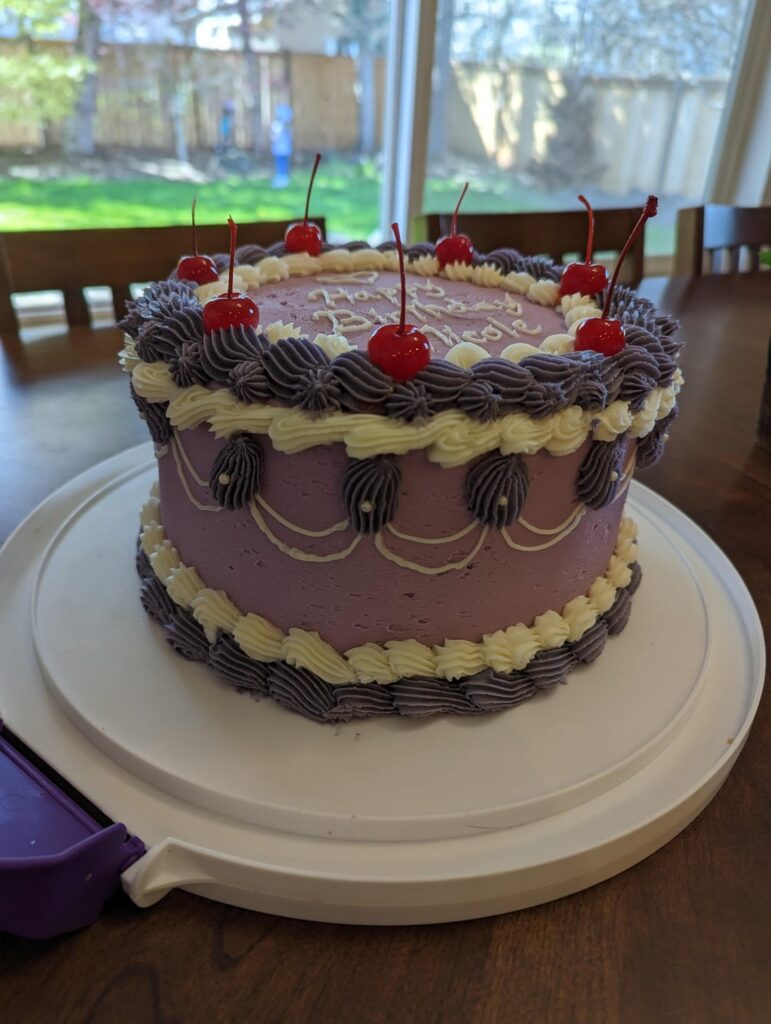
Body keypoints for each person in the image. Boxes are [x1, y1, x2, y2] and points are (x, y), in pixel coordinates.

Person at [270, 104, 294, 188]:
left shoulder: (288, 127)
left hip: (285, 150)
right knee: (280, 164)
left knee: (284, 164)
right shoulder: (277, 125)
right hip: (279, 150)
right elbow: (275, 137)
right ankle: (280, 179)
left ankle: (284, 179)